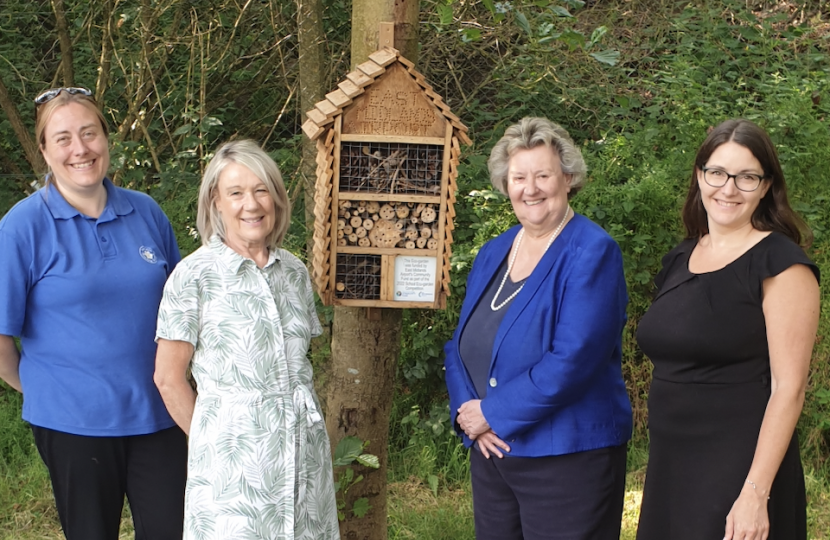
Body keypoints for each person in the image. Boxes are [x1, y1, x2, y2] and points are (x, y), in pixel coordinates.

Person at [0, 87, 187, 540]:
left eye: (89, 133)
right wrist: (44, 391)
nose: (79, 149)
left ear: (106, 140)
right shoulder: (23, 227)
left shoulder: (146, 212)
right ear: (44, 151)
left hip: (162, 415)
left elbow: (184, 314)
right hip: (73, 425)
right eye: (62, 138)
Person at [444, 117, 632, 540]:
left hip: (566, 459)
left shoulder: (592, 251)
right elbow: (458, 345)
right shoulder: (494, 251)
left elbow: (573, 361)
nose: (530, 188)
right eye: (519, 177)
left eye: (542, 175)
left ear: (567, 178)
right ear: (505, 185)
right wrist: (468, 415)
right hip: (493, 453)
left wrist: (491, 413)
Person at [636, 119, 820, 540]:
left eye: (747, 177)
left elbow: (788, 388)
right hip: (671, 464)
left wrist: (755, 493)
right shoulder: (680, 258)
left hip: (739, 467)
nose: (729, 189)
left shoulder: (782, 265)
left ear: (767, 185)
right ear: (700, 176)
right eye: (717, 173)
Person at [154, 139, 340, 540]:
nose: (251, 204)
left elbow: (297, 367)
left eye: (261, 190)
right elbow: (168, 379)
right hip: (235, 472)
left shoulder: (294, 272)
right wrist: (217, 443)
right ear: (216, 203)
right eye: (236, 193)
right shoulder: (193, 277)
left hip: (303, 461)